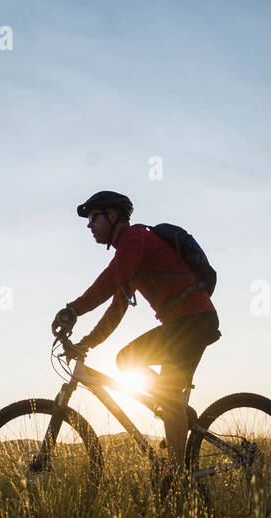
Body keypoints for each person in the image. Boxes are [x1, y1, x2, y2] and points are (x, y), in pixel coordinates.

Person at [51, 190, 221, 488]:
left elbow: (110, 279)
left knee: (131, 364)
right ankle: (175, 422)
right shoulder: (131, 252)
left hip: (192, 321)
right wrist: (87, 343)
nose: (89, 226)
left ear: (112, 216)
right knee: (152, 383)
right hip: (186, 323)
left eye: (93, 217)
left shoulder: (135, 239)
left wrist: (73, 309)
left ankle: (177, 476)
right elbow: (116, 309)